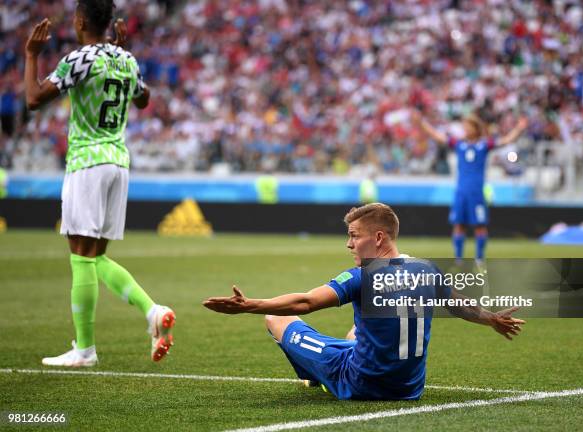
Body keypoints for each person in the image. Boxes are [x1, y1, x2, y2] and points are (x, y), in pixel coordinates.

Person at [203, 203, 524, 400]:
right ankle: (315, 373)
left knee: (276, 320)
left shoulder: (362, 277)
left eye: (355, 235)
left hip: (359, 384)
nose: (349, 243)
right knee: (355, 335)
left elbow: (304, 303)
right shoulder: (428, 270)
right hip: (409, 389)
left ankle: (316, 376)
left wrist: (249, 306)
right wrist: (492, 318)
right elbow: (461, 306)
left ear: (379, 238)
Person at [24, 0, 175, 367]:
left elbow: (32, 99)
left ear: (78, 21)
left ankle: (85, 350)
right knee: (97, 256)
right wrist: (122, 54)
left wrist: (31, 55)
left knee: (80, 256)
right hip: (118, 163)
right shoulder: (126, 59)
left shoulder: (79, 59)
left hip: (87, 163)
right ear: (110, 23)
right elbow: (144, 99)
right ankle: (152, 310)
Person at [412, 112, 528, 264]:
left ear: (475, 128)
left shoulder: (484, 145)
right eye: (464, 126)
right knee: (459, 225)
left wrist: (519, 129)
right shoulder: (459, 144)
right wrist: (422, 124)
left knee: (480, 226)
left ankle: (479, 257)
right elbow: (437, 136)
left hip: (476, 193)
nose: (465, 129)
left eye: (468, 126)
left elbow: (506, 140)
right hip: (461, 192)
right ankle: (458, 258)